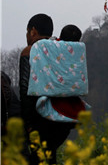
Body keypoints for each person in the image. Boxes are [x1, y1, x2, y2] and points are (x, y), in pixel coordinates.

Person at [19, 13, 74, 164]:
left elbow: (25, 88)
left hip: (38, 120)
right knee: (50, 157)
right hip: (60, 119)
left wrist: (28, 124)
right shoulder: (60, 51)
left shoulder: (29, 51)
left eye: (27, 31)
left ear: (33, 31)